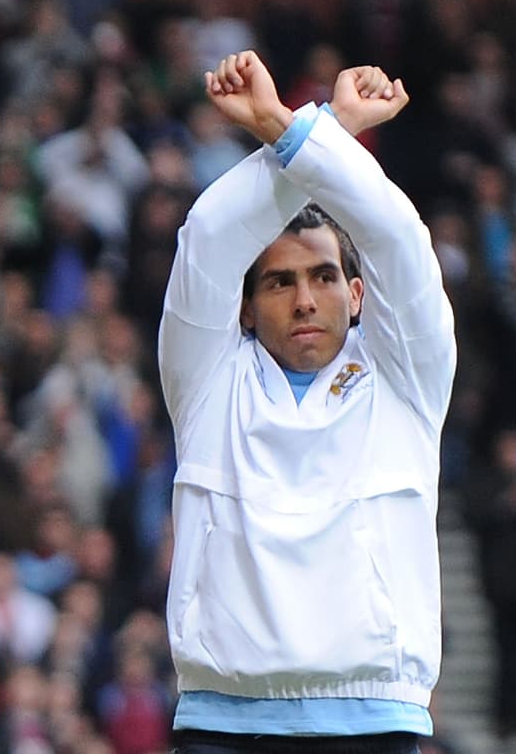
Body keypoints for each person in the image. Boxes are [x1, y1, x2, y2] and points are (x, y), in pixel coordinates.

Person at [158, 50, 456, 753]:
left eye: (324, 276)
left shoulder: (406, 375)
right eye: (279, 281)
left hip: (375, 718)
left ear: (358, 296)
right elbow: (207, 239)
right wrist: (323, 130)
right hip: (222, 722)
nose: (303, 299)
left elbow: (397, 237)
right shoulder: (204, 381)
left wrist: (293, 129)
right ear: (245, 305)